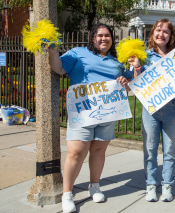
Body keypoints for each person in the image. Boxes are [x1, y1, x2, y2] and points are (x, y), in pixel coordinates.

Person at [48, 23, 131, 213]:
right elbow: (58, 68)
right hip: (82, 112)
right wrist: (52, 52)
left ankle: (95, 186)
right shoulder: (78, 53)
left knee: (99, 150)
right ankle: (67, 194)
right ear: (92, 37)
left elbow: (130, 85)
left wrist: (124, 81)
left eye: (107, 35)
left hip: (108, 112)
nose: (104, 38)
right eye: (100, 35)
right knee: (76, 152)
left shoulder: (118, 60)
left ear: (112, 38)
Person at [128, 19, 175, 202]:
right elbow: (136, 84)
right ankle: (150, 186)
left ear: (171, 36)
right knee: (150, 149)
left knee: (170, 150)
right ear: (152, 33)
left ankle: (167, 186)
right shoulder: (144, 56)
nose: (161, 34)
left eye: (166, 31)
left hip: (172, 107)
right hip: (150, 108)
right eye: (158, 30)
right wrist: (137, 67)